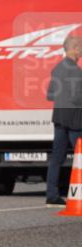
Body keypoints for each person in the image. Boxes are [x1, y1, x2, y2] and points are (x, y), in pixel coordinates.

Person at [44, 34, 82, 206]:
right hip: (74, 119)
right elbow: (77, 98)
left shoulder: (57, 68)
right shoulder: (75, 70)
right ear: (74, 49)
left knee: (57, 158)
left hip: (59, 116)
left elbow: (50, 94)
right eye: (80, 46)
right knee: (80, 156)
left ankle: (52, 196)